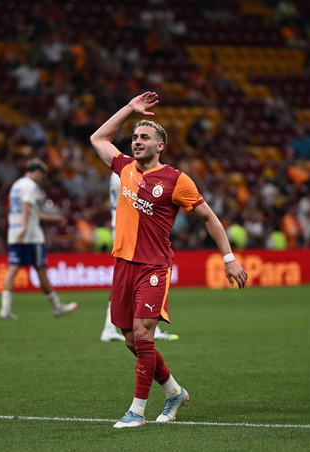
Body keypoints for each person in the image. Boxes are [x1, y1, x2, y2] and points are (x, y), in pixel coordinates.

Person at [89, 92, 248, 428]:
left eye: (145, 137)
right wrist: (129, 109)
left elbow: (209, 217)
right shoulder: (124, 168)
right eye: (134, 137)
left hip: (153, 267)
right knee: (130, 339)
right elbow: (98, 139)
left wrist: (229, 258)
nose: (137, 141)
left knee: (143, 334)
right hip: (123, 265)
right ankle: (175, 392)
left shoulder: (177, 180)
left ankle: (137, 412)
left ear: (160, 146)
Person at [100, 137, 178, 342]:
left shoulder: (118, 174)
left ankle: (111, 327)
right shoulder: (127, 172)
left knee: (126, 282)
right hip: (132, 232)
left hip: (122, 230)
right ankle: (145, 325)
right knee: (150, 274)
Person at [0, 158, 77, 320]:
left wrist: (52, 219)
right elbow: (26, 206)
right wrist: (24, 228)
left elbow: (29, 211)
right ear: (37, 172)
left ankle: (5, 309)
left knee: (12, 270)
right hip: (32, 236)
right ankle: (57, 307)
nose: (42, 179)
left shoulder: (16, 185)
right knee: (41, 270)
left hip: (14, 233)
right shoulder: (32, 186)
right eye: (42, 175)